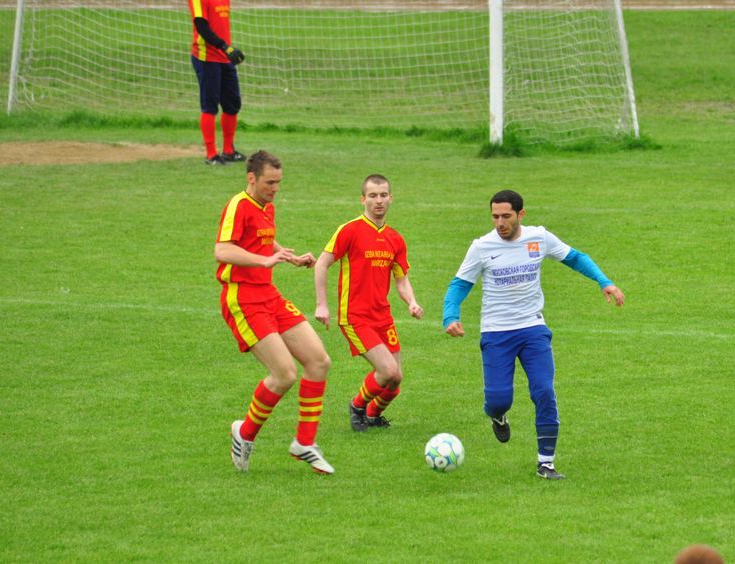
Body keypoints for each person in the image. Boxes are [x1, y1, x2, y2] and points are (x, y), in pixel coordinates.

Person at [442, 189, 624, 480]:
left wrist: (604, 281)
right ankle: (498, 416)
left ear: (521, 214)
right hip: (496, 332)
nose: (500, 223)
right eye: (495, 217)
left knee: (544, 391)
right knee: (498, 400)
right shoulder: (481, 247)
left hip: (532, 328)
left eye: (506, 216)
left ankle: (546, 463)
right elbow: (459, 284)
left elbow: (575, 258)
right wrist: (451, 316)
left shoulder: (539, 237)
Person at [215, 150, 334, 474]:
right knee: (284, 374)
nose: (275, 189)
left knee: (319, 361)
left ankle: (304, 443)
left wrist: (286, 255)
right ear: (251, 178)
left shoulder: (267, 206)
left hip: (268, 294)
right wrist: (264, 261)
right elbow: (222, 250)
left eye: (278, 182)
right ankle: (244, 433)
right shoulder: (238, 205)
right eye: (270, 183)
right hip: (243, 298)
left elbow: (262, 239)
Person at [314, 174, 423, 432]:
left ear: (391, 198)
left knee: (395, 379)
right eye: (373, 195)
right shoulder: (350, 230)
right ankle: (357, 406)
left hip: (382, 316)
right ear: (363, 199)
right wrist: (322, 304)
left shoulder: (395, 239)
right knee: (387, 371)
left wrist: (412, 302)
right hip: (355, 316)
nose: (379, 200)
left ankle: (373, 415)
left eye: (383, 195)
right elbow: (322, 264)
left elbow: (401, 281)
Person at [189, 0, 246, 166]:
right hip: (206, 58)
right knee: (210, 106)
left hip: (224, 57)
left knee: (232, 104)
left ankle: (228, 151)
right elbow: (201, 26)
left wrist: (226, 50)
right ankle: (211, 154)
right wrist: (224, 46)